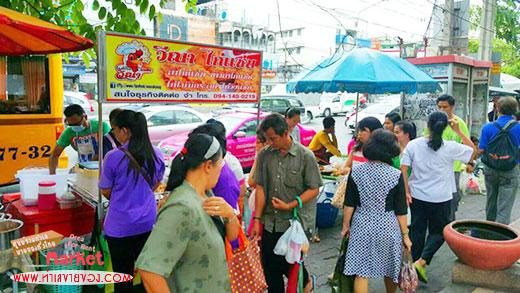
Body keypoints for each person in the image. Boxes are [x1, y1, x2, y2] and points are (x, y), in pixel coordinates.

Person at [136, 134, 239, 292]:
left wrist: (230, 215)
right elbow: (149, 270)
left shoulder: (207, 195)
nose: (222, 168)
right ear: (208, 166)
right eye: (221, 163)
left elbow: (233, 240)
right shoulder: (182, 207)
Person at [251, 113, 322, 293]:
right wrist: (257, 220)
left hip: (293, 225)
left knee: (293, 269)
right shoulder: (265, 155)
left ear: (285, 133)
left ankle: (307, 285)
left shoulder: (305, 156)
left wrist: (291, 205)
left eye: (272, 139)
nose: (269, 143)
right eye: (266, 139)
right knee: (270, 270)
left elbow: (314, 189)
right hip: (269, 223)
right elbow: (260, 187)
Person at [401, 111, 474, 283]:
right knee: (440, 231)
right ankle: (421, 262)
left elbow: (404, 168)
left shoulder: (414, 144)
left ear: (428, 125)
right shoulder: (450, 146)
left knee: (417, 230)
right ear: (445, 127)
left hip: (417, 195)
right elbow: (473, 152)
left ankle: (415, 266)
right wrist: (459, 131)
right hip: (441, 197)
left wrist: (406, 191)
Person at [99, 110, 165, 293]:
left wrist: (122, 196)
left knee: (122, 278)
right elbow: (156, 183)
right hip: (147, 223)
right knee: (148, 274)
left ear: (125, 130)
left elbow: (105, 190)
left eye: (115, 130)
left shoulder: (113, 157)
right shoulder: (157, 154)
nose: (114, 134)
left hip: (120, 228)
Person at [342, 129, 411, 293]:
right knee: (389, 269)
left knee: (361, 271)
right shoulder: (395, 174)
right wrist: (405, 235)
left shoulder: (356, 171)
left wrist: (345, 225)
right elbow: (400, 209)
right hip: (387, 225)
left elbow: (349, 203)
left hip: (361, 223)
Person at [478, 97, 520, 224]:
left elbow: (481, 150)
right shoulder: (518, 128)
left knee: (491, 202)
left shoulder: (488, 127)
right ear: (515, 110)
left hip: (490, 168)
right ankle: (500, 238)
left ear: (497, 108)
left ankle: (488, 231)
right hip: (510, 170)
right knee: (504, 207)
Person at [434, 94, 474, 220]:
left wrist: (470, 163)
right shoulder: (434, 122)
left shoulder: (459, 124)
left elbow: (468, 146)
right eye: (439, 107)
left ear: (452, 107)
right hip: (436, 166)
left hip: (454, 168)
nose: (441, 110)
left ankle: (450, 222)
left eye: (444, 107)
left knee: (453, 197)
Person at [49, 104, 110, 174]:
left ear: (85, 117)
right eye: (71, 125)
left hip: (103, 166)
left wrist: (87, 166)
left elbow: (106, 151)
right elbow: (55, 154)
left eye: (77, 123)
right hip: (83, 167)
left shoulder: (101, 126)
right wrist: (52, 174)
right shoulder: (69, 132)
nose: (74, 127)